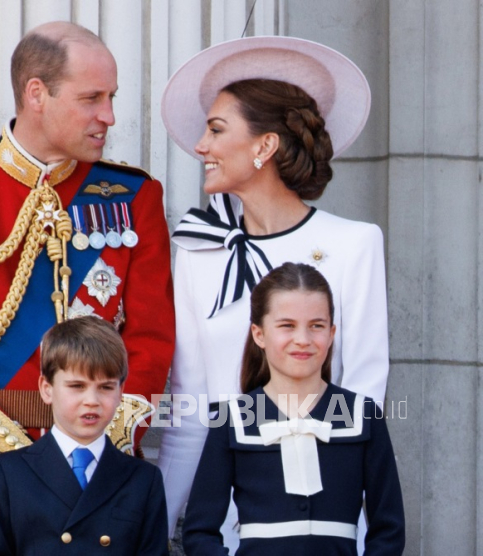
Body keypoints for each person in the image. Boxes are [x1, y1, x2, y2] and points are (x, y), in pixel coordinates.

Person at [0, 21, 175, 555]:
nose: (109, 116)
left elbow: (152, 342)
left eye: (112, 97)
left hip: (99, 478)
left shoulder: (134, 196)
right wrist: (15, 463)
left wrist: (98, 446)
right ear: (36, 94)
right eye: (92, 98)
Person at [156, 36, 390, 543]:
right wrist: (153, 533)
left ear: (264, 146)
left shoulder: (354, 244)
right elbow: (189, 412)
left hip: (329, 523)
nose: (201, 146)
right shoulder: (198, 251)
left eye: (217, 130)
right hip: (229, 530)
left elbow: (365, 402)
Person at [182, 262, 404, 555]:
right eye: (287, 326)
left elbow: (389, 530)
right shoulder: (231, 420)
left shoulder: (364, 415)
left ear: (332, 332)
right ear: (259, 334)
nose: (303, 339)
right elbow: (199, 532)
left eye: (317, 326)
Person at [0, 316, 169, 554]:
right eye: (77, 387)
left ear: (121, 393)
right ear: (47, 389)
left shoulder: (143, 480)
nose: (92, 401)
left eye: (106, 387)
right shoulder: (8, 472)